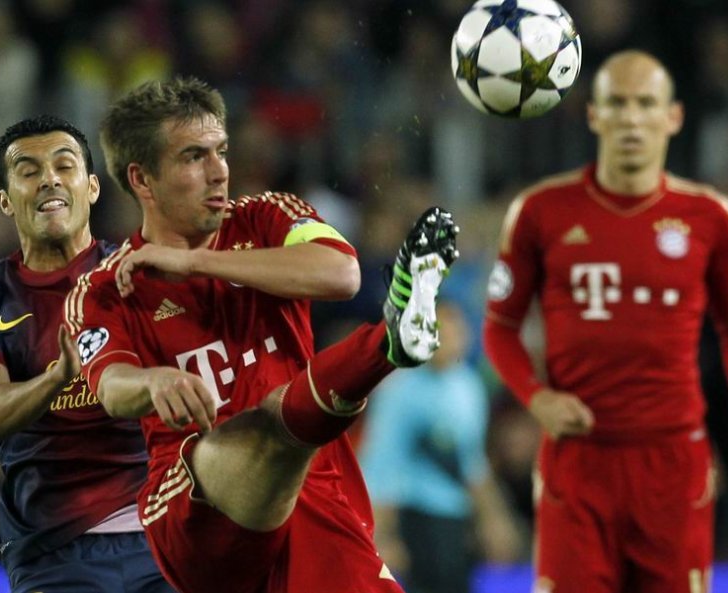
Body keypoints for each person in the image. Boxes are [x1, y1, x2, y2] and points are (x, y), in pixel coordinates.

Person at [64, 77, 458, 593]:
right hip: (195, 502)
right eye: (193, 157)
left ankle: (394, 336)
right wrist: (152, 382)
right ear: (142, 179)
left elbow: (341, 273)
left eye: (221, 152)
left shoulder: (268, 216)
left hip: (311, 494)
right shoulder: (104, 287)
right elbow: (112, 388)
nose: (219, 171)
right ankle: (390, 341)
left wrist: (195, 261)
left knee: (282, 429)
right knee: (272, 423)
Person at [482, 50, 728, 593]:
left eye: (645, 103)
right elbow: (499, 327)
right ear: (594, 115)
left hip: (672, 463)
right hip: (579, 464)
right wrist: (536, 397)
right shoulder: (539, 212)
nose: (630, 118)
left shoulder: (710, 217)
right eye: (616, 104)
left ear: (672, 117)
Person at [0, 115, 175, 593]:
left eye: (64, 165)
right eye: (28, 170)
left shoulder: (143, 275)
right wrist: (60, 376)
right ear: (6, 201)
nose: (48, 177)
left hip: (162, 532)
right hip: (53, 551)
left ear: (91, 187)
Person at [360, 300, 523, 593]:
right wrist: (381, 535)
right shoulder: (399, 390)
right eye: (441, 330)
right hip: (415, 518)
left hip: (456, 519)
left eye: (456, 329)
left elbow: (472, 463)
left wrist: (493, 520)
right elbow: (382, 466)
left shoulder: (468, 387)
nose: (450, 338)